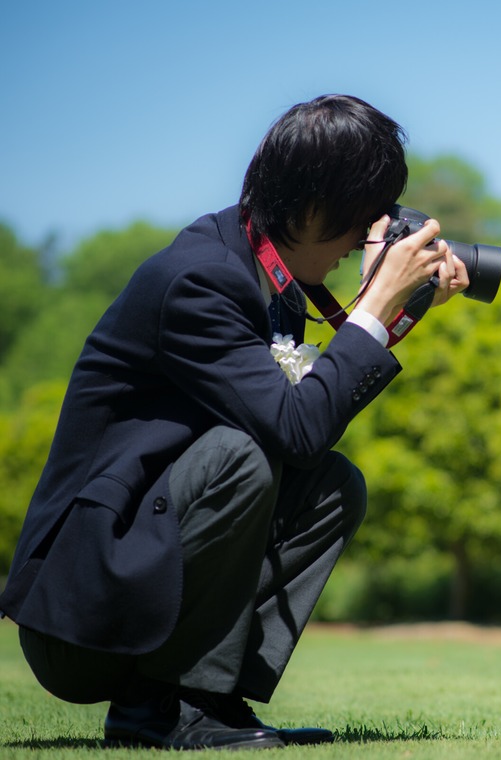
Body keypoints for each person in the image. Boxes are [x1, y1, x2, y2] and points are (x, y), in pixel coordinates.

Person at [0, 94, 470, 750]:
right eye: (361, 220)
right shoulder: (202, 280)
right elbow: (294, 428)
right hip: (82, 628)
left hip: (142, 591)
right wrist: (375, 306)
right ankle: (171, 706)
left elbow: (306, 435)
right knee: (241, 456)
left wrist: (394, 308)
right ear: (309, 208)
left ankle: (203, 701)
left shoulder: (262, 275)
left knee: (333, 486)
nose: (365, 240)